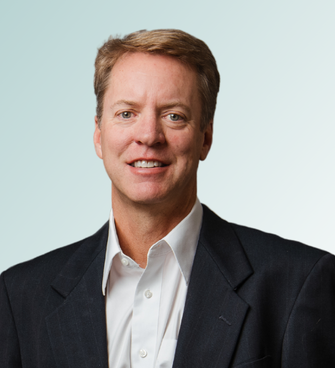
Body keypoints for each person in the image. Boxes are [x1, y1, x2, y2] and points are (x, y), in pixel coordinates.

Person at [0, 29, 334, 368]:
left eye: (174, 115)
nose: (148, 135)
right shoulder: (19, 297)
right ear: (99, 135)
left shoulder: (298, 284)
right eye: (127, 113)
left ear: (205, 137)